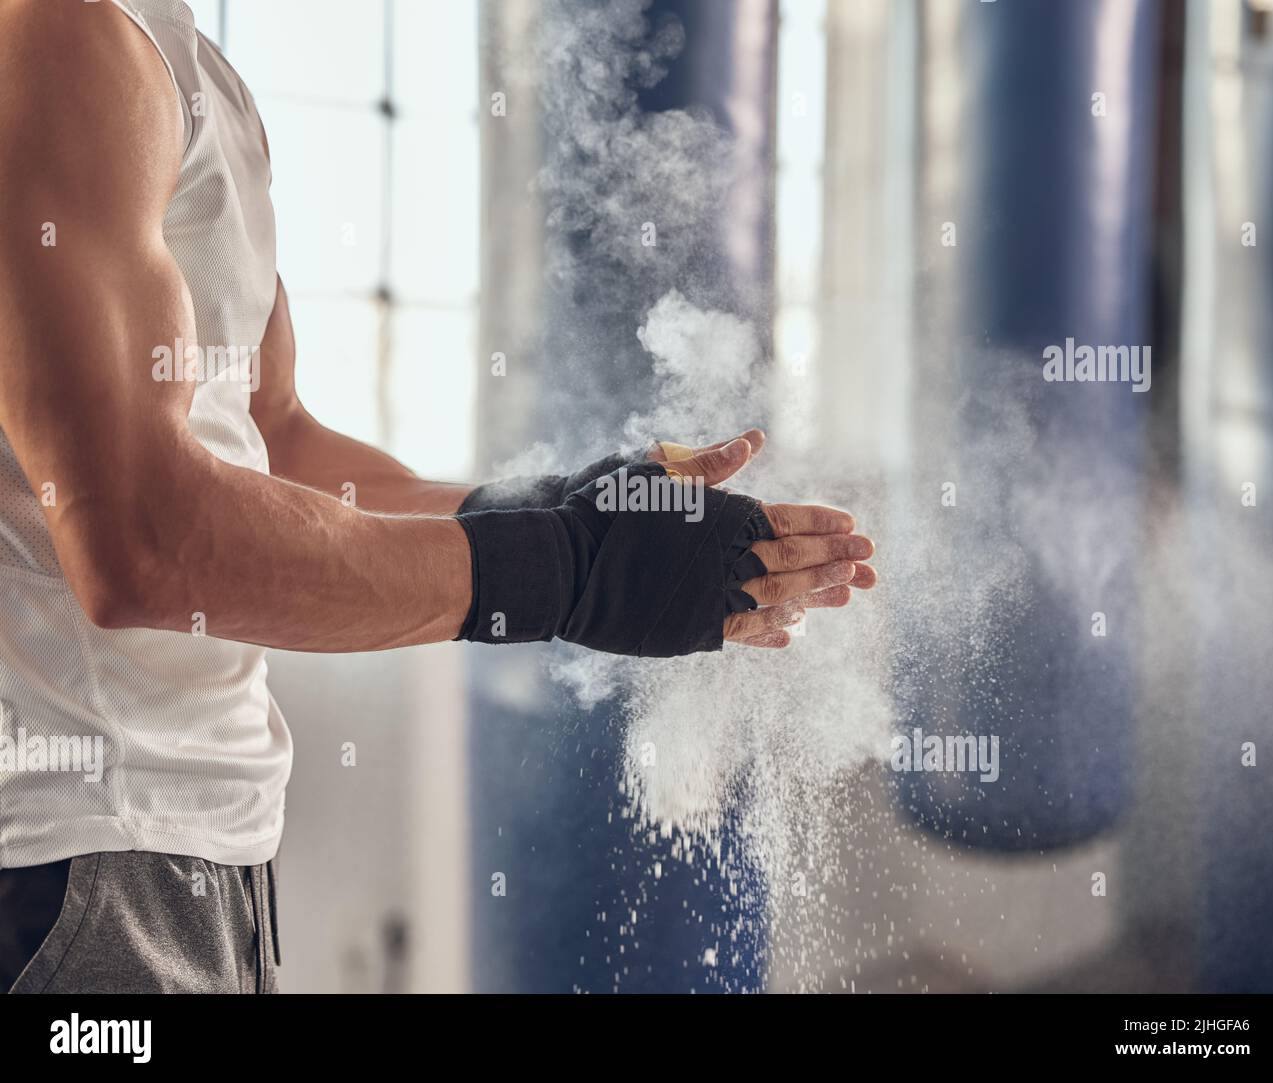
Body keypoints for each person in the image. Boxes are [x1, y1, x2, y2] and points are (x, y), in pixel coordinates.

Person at [0, 0, 875, 992]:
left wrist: (553, 511)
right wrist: (566, 571)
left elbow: (277, 447)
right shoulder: (60, 32)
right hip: (70, 839)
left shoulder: (196, 72)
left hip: (206, 843)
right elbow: (140, 542)